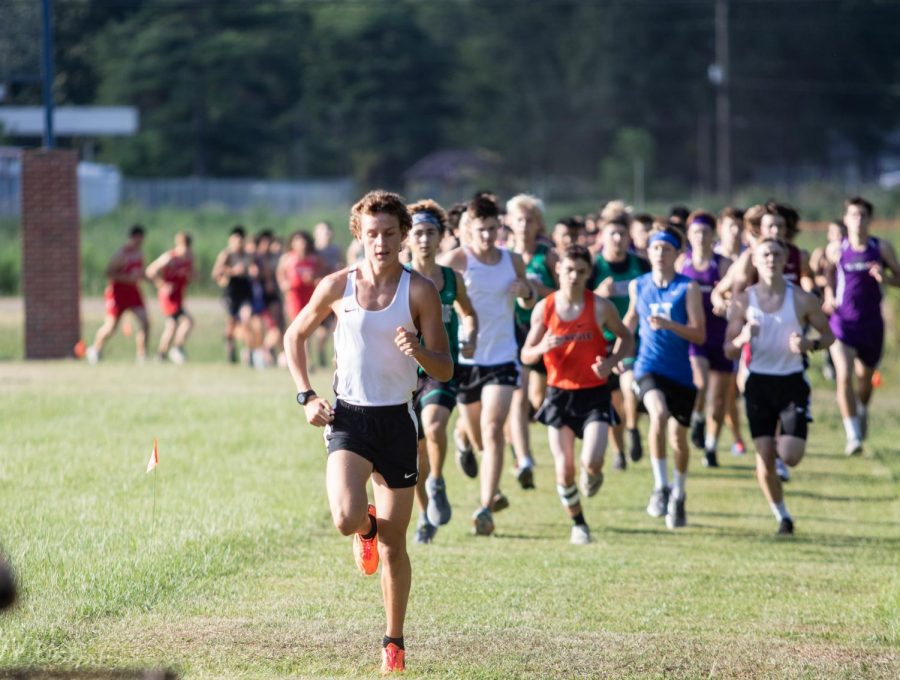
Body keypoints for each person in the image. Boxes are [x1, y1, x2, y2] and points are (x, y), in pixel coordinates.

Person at [284, 190, 452, 674]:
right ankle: (365, 528)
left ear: (402, 237)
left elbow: (443, 370)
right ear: (359, 235)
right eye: (372, 234)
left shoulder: (419, 291)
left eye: (390, 234)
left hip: (398, 421)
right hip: (349, 419)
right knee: (345, 517)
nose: (381, 243)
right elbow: (294, 336)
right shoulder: (337, 286)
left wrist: (418, 351)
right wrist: (306, 396)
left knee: (396, 548)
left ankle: (393, 641)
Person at [521, 245, 633, 544]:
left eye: (581, 271)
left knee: (593, 460)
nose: (573, 276)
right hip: (559, 395)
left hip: (594, 395)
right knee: (564, 468)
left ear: (588, 274)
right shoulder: (544, 308)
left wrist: (610, 362)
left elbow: (626, 336)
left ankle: (594, 473)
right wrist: (542, 347)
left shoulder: (599, 307)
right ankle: (579, 524)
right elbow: (526, 355)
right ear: (559, 270)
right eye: (569, 269)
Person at [438, 195, 536, 536]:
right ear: (469, 229)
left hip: (503, 357)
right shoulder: (456, 261)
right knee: (480, 438)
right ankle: (463, 438)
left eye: (493, 229)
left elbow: (528, 300)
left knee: (494, 431)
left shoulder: (512, 260)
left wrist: (525, 290)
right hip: (466, 359)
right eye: (482, 230)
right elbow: (433, 294)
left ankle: (485, 508)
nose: (488, 236)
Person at [724, 238, 834, 534]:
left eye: (775, 254)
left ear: (785, 259)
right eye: (764, 254)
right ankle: (782, 516)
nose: (770, 259)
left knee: (791, 456)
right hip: (757, 382)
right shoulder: (743, 301)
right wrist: (742, 338)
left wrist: (809, 343)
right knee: (764, 456)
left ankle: (784, 437)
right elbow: (728, 350)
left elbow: (829, 335)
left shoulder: (801, 299)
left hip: (791, 383)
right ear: (755, 262)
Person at [405, 200, 478, 544]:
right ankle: (424, 513)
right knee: (414, 453)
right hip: (403, 373)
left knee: (435, 425)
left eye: (430, 233)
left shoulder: (451, 278)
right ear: (407, 238)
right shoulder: (399, 279)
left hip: (440, 366)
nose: (423, 240)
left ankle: (437, 481)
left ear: (441, 238)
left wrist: (471, 336)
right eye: (417, 233)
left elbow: (469, 313)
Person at [624, 226, 705, 530]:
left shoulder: (688, 288)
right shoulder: (639, 285)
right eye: (655, 249)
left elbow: (699, 333)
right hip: (648, 367)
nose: (659, 254)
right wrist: (615, 353)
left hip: (681, 374)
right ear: (648, 252)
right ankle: (660, 487)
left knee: (678, 441)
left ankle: (679, 493)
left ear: (676, 254)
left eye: (666, 249)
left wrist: (671, 326)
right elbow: (629, 322)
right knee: (657, 415)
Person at [824, 197, 900, 455]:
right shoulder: (836, 249)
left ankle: (863, 409)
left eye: (862, 215)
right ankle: (852, 435)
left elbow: (899, 277)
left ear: (870, 220)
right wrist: (828, 296)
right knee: (843, 375)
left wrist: (886, 278)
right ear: (845, 219)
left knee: (864, 381)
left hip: (871, 324)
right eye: (853, 215)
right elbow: (828, 273)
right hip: (842, 323)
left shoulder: (882, 248)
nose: (858, 220)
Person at [588, 212, 650, 470]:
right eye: (612, 233)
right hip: (600, 342)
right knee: (611, 400)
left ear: (629, 238)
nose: (617, 238)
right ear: (602, 237)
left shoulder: (641, 265)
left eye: (622, 234)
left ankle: (633, 429)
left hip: (630, 338)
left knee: (629, 382)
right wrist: (598, 294)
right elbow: (578, 300)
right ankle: (619, 452)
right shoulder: (593, 267)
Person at [507, 194, 558, 489]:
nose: (524, 226)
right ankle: (524, 459)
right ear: (510, 223)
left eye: (530, 220)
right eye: (519, 220)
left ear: (538, 224)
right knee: (519, 395)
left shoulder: (547, 255)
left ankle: (521, 447)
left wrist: (541, 288)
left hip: (544, 333)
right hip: (512, 332)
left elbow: (565, 293)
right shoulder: (502, 255)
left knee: (538, 400)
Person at [678, 212, 735, 468]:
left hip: (720, 336)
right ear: (689, 236)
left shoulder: (722, 265)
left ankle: (711, 446)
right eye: (696, 232)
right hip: (695, 335)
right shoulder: (682, 263)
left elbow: (735, 297)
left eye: (705, 233)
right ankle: (698, 417)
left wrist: (726, 304)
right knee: (699, 384)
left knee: (720, 399)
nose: (701, 237)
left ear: (714, 236)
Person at [87, 225, 150, 364]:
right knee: (110, 327)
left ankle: (142, 355)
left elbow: (141, 272)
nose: (140, 243)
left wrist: (152, 280)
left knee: (145, 322)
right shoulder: (121, 254)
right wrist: (127, 278)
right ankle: (96, 350)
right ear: (133, 238)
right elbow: (109, 272)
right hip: (118, 293)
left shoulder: (140, 254)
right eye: (138, 240)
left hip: (133, 292)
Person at [145, 232, 195, 364]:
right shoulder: (169, 257)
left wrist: (191, 276)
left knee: (173, 326)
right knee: (185, 322)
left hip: (178, 296)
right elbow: (150, 271)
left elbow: (190, 276)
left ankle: (161, 354)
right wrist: (162, 285)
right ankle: (176, 349)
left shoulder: (189, 259)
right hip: (168, 297)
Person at [313, 221, 346, 370]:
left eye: (328, 231)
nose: (326, 235)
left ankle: (334, 358)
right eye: (323, 232)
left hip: (337, 294)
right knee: (319, 331)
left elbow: (343, 266)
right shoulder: (313, 251)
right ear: (316, 234)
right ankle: (316, 357)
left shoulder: (336, 249)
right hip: (318, 294)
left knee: (336, 327)